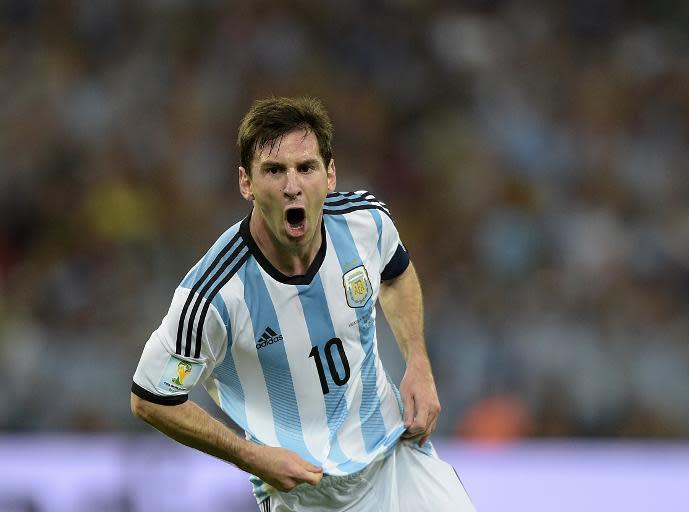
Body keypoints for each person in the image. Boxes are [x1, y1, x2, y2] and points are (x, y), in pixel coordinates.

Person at [130, 96, 475, 511]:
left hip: (395, 460)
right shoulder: (213, 296)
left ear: (329, 175)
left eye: (305, 168)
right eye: (274, 170)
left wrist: (418, 361)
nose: (292, 185)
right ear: (246, 183)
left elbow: (395, 273)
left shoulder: (366, 221)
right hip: (306, 498)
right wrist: (250, 456)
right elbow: (150, 397)